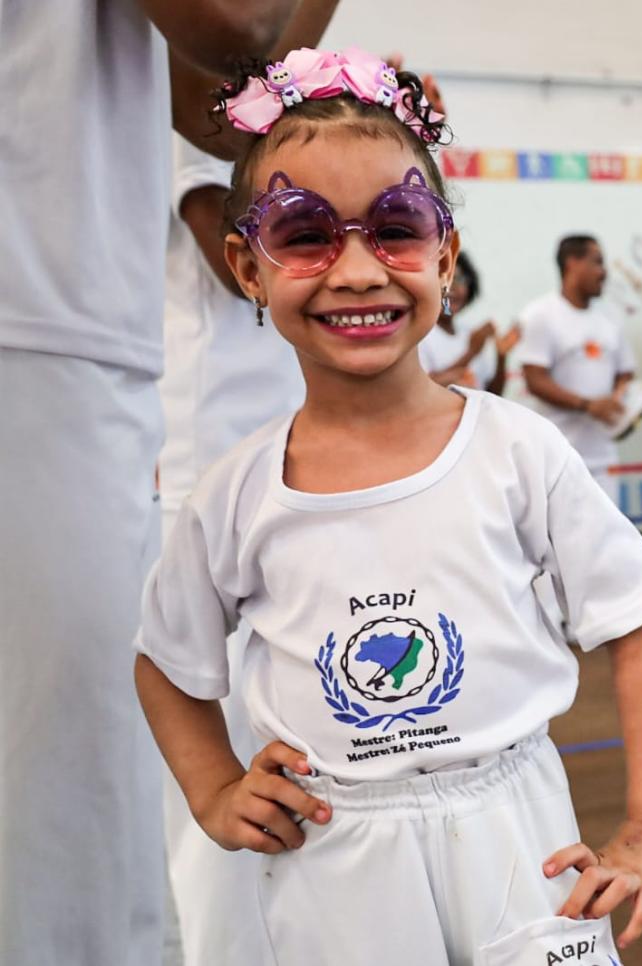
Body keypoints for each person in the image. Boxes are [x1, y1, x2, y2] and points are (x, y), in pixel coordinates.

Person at [133, 50, 642, 964]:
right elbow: (167, 663)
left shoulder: (518, 451)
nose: (357, 271)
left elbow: (633, 619)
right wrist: (215, 789)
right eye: (304, 234)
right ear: (247, 267)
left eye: (396, 228)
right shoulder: (234, 493)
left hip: (520, 832)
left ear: (446, 255)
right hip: (335, 854)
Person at [0, 3, 336, 963]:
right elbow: (234, 44)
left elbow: (215, 91)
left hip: (58, 326)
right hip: (52, 325)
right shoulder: (218, 174)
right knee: (88, 797)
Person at [158, 133, 307, 965]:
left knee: (302, 731)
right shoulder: (202, 119)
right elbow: (232, 257)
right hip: (213, 467)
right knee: (227, 760)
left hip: (300, 459)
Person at [517, 236, 637, 502]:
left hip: (603, 459)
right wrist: (588, 405)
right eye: (597, 262)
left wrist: (619, 397)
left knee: (608, 530)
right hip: (555, 459)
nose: (604, 272)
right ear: (572, 264)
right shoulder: (540, 314)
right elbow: (535, 380)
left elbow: (625, 372)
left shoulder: (610, 316)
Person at [418, 251, 513, 394]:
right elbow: (419, 390)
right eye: (443, 278)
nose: (451, 287)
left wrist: (501, 356)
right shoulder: (419, 334)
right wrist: (471, 352)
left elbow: (492, 394)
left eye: (459, 279)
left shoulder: (470, 333)